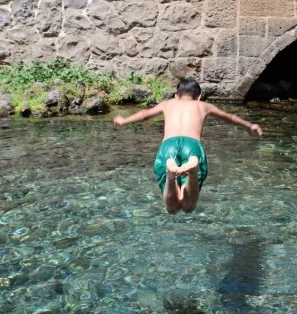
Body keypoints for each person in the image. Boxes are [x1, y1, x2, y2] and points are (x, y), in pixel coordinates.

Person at [113, 79, 263, 214]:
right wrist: (250, 125)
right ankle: (192, 171)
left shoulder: (168, 104)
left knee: (172, 209)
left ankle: (170, 176)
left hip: (169, 145)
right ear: (199, 96)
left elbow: (145, 114)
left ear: (176, 95)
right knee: (188, 207)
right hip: (192, 146)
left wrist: (124, 120)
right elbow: (230, 118)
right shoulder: (202, 106)